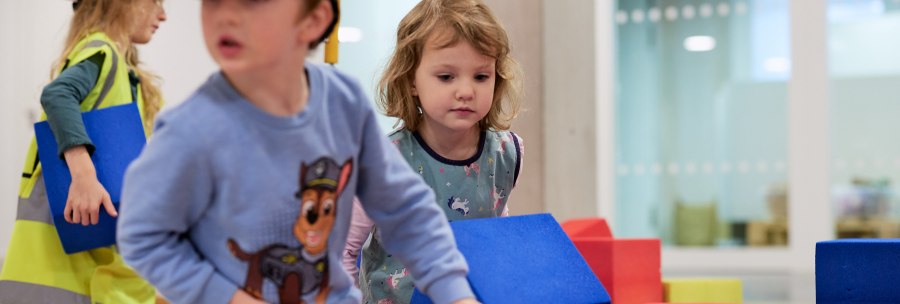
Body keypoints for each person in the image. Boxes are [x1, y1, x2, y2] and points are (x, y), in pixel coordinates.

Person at [116, 0, 479, 303]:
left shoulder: (343, 102)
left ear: (314, 19)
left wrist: (456, 294)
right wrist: (226, 296)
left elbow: (405, 211)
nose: (225, 15)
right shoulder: (191, 129)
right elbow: (143, 236)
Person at [342, 0, 524, 302]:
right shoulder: (384, 161)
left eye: (481, 76)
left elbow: (495, 222)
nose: (466, 91)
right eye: (446, 77)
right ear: (412, 79)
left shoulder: (507, 152)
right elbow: (343, 250)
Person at [0, 0, 167, 303]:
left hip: (85, 263)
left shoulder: (122, 72)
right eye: (156, 2)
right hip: (59, 270)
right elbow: (58, 94)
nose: (162, 15)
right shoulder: (101, 50)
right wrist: (84, 173)